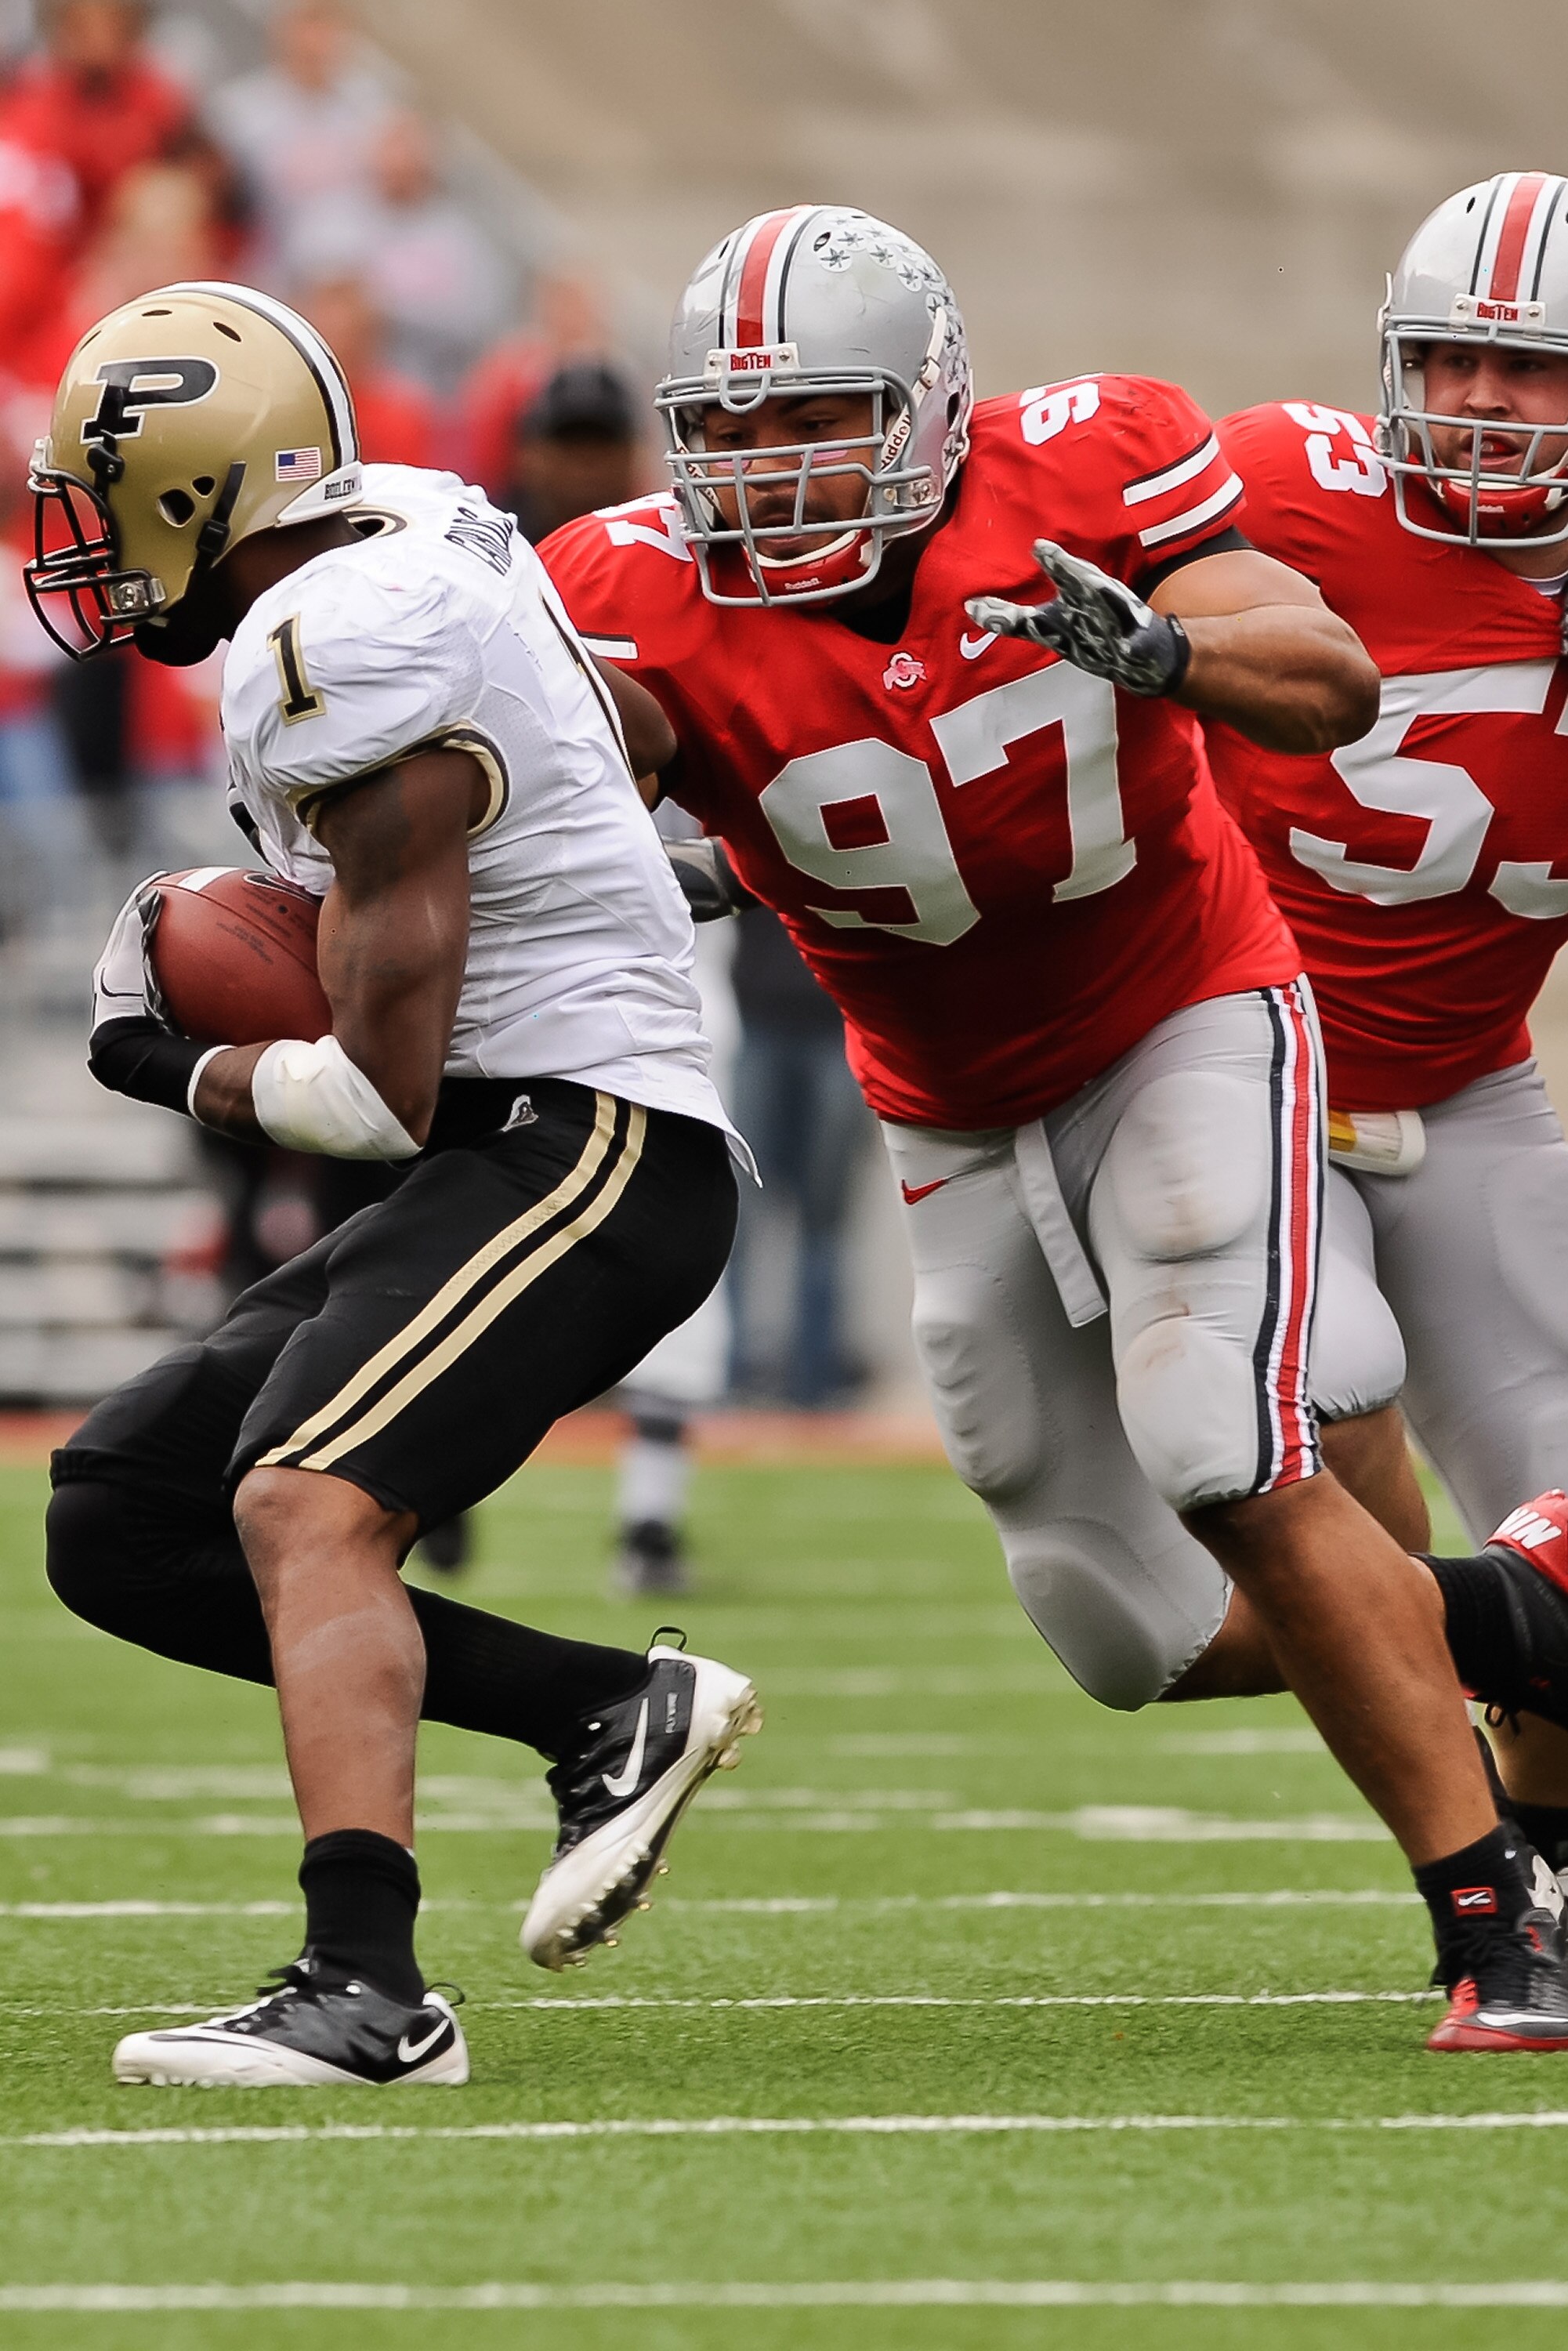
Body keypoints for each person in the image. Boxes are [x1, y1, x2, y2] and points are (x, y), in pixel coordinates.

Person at [544, 203, 1568, 2052]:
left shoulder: (1091, 472)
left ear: (932, 411)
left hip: (1206, 1018)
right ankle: (1511, 1622)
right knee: (1122, 1627)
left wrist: (1160, 653)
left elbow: (1315, 677)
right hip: (953, 1100)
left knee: (1228, 1444)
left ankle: (1499, 1908)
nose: (772, 468)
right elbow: (570, 781)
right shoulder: (626, 583)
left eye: (818, 418)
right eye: (733, 427)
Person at [27, 281, 760, 2088]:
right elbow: (633, 730)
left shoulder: (332, 642)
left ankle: (365, 1991)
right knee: (123, 1508)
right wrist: (606, 863)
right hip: (521, 1130)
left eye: (110, 510)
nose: (93, 554)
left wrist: (163, 1058)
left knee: (305, 1495)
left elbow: (374, 1095)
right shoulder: (417, 523)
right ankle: (602, 1704)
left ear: (200, 493)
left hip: (589, 1141)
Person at [1207, 172, 1568, 1871]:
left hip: (1471, 1091)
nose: (1477, 403)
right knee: (1327, 1457)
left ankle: (1535, 1881)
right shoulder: (1282, 484)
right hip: (1235, 1074)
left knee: (1559, 1531)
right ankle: (1473, 1867)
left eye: (1527, 369)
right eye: (1445, 361)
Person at [728, 904, 867, 1407]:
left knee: (825, 1216)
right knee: (742, 1210)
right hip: (761, 1021)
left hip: (839, 1027)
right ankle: (739, 1371)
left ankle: (816, 1376)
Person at [502, 360, 644, 546]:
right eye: (569, 444)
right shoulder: (490, 545)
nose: (586, 462)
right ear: (529, 455)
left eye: (602, 443)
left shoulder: (663, 541)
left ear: (631, 453)